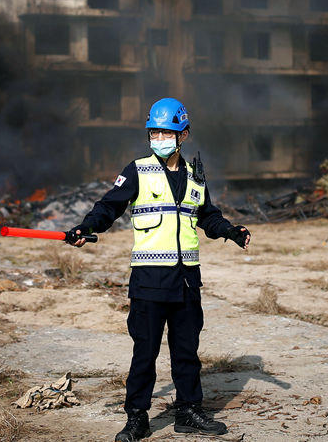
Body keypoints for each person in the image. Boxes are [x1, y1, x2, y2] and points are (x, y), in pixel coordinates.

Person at [65, 98, 251, 441]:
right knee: (145, 352)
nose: (159, 137)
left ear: (183, 135)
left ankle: (188, 412)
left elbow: (206, 216)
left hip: (186, 280)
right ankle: (137, 418)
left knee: (186, 351)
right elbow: (109, 206)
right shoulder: (138, 170)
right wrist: (84, 227)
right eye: (154, 131)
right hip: (150, 280)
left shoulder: (196, 176)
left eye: (166, 131)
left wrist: (230, 230)